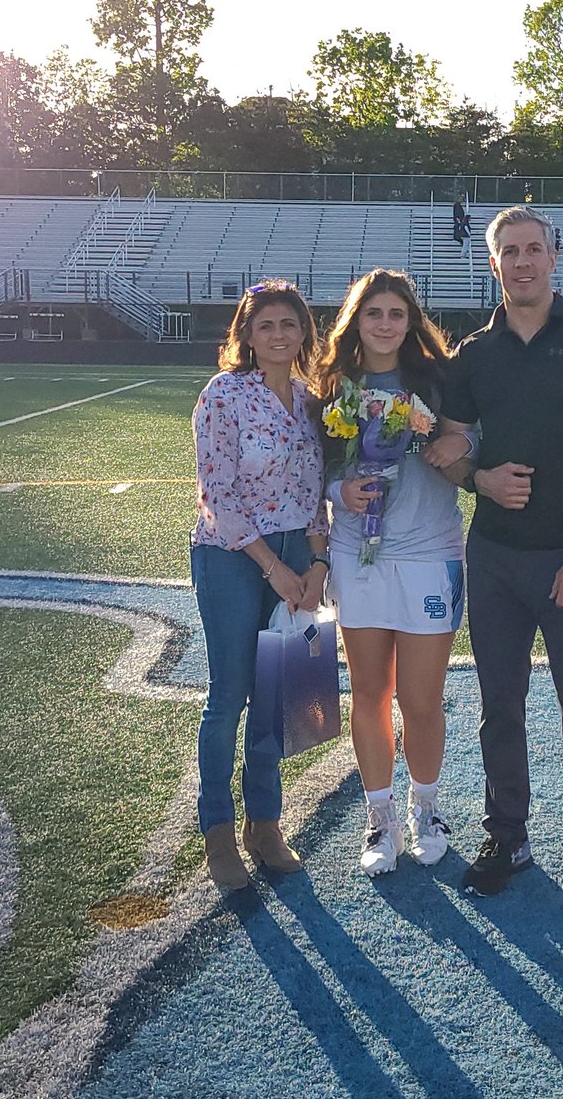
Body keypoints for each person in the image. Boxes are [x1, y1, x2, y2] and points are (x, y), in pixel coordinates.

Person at [439, 207, 563, 919]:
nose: (522, 262)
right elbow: (449, 445)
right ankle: (509, 839)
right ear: (492, 265)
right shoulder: (472, 356)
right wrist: (479, 481)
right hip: (492, 558)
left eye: (533, 249)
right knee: (500, 709)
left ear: (554, 256)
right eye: (508, 253)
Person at [315, 269, 473, 877]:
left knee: (422, 698)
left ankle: (425, 810)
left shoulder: (439, 379)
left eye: (396, 314)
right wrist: (341, 488)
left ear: (411, 322)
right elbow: (321, 465)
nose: (384, 324)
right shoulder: (335, 385)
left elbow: (472, 441)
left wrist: (446, 438)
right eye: (373, 313)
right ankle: (379, 817)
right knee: (371, 695)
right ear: (356, 320)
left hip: (430, 553)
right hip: (359, 557)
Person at [191, 280, 330, 890]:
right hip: (232, 556)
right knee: (230, 696)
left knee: (279, 694)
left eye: (289, 325)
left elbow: (318, 489)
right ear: (246, 335)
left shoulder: (311, 400)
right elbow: (216, 495)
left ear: (304, 334)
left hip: (299, 552)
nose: (279, 335)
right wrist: (272, 566)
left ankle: (265, 823)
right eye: (266, 325)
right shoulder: (223, 395)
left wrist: (317, 563)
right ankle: (218, 830)